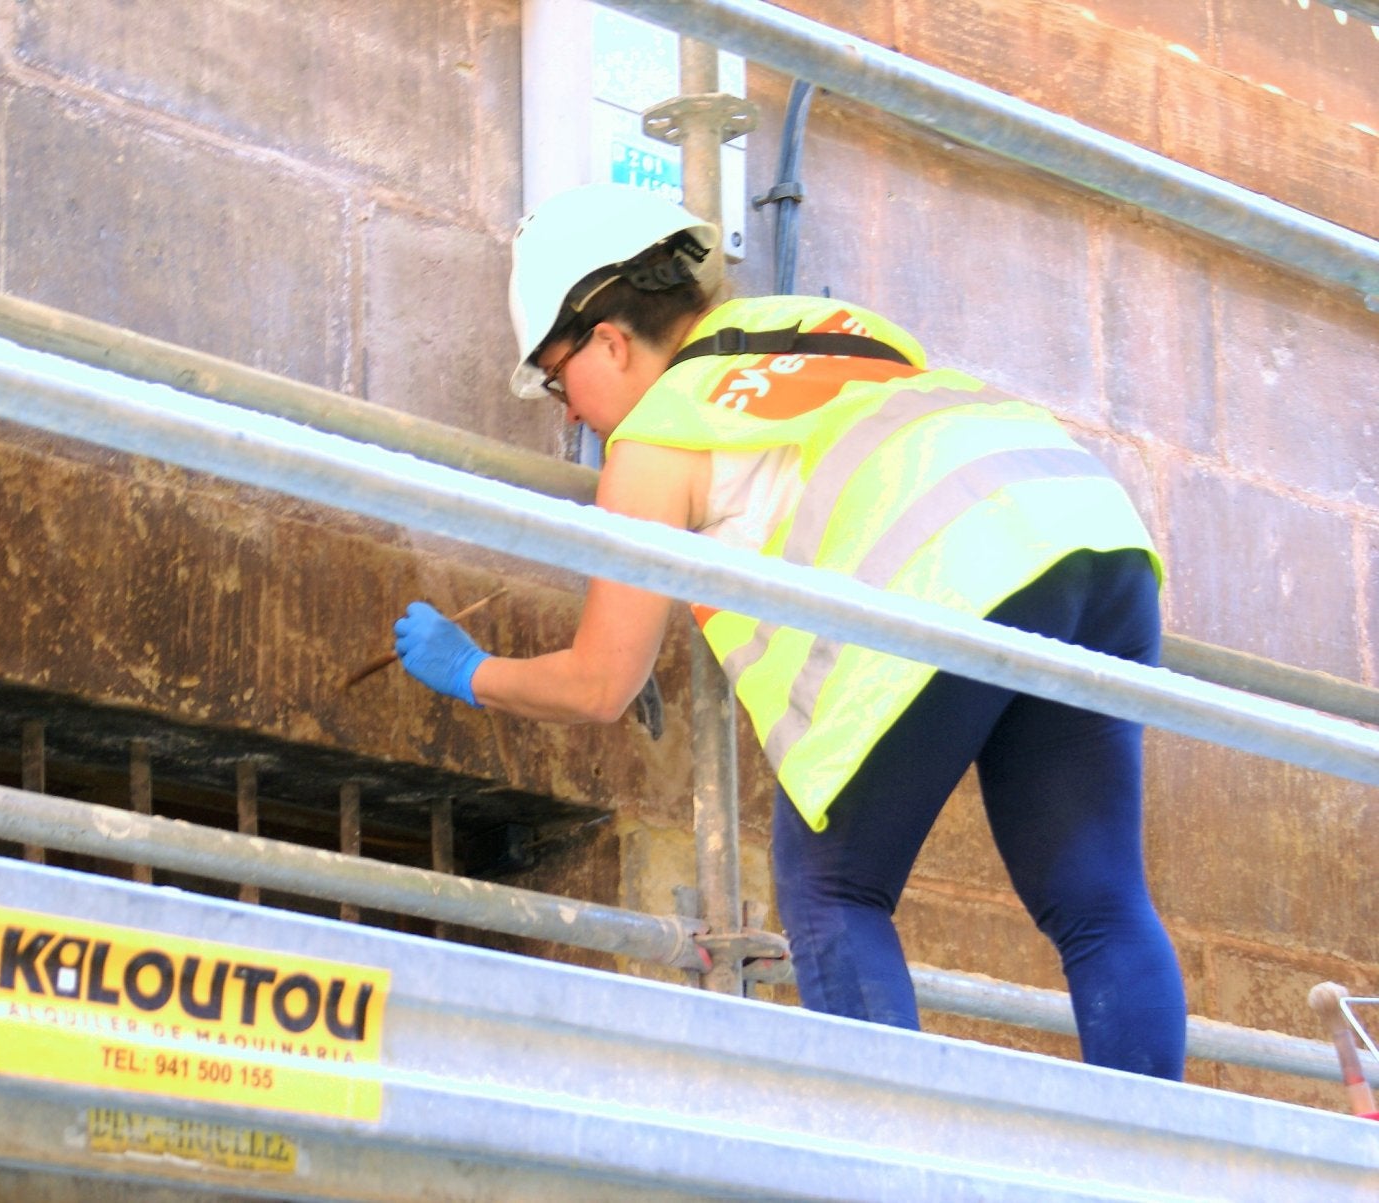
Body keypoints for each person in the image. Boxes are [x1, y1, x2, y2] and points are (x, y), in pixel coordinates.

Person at [391, 182, 1186, 1079]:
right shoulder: (822, 326)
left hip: (961, 568)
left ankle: (890, 1170)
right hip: (1090, 525)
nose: (567, 411)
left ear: (609, 340)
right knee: (1096, 897)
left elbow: (601, 681)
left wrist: (472, 671)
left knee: (830, 885)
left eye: (554, 377)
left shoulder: (657, 437)